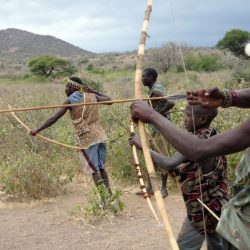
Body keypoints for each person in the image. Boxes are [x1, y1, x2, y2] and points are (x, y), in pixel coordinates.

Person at [130, 87, 250, 250]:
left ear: (202, 119)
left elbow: (171, 162)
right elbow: (189, 169)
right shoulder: (212, 135)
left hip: (204, 210)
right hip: (214, 206)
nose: (183, 120)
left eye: (187, 116)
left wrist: (143, 145)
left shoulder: (199, 139)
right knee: (219, 244)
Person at [30, 76, 113, 201]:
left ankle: (104, 199)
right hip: (99, 135)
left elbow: (54, 118)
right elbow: (109, 100)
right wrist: (94, 91)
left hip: (87, 138)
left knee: (94, 169)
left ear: (72, 87)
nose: (65, 89)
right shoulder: (92, 96)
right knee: (100, 167)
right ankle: (110, 195)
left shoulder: (69, 101)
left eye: (66, 86)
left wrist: (38, 129)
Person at [137, 68, 175, 198]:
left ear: (152, 77)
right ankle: (150, 187)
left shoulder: (156, 89)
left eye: (144, 77)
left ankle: (164, 188)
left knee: (163, 158)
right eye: (142, 77)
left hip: (162, 130)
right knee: (151, 157)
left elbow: (170, 102)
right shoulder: (153, 89)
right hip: (156, 130)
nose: (142, 79)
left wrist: (156, 114)